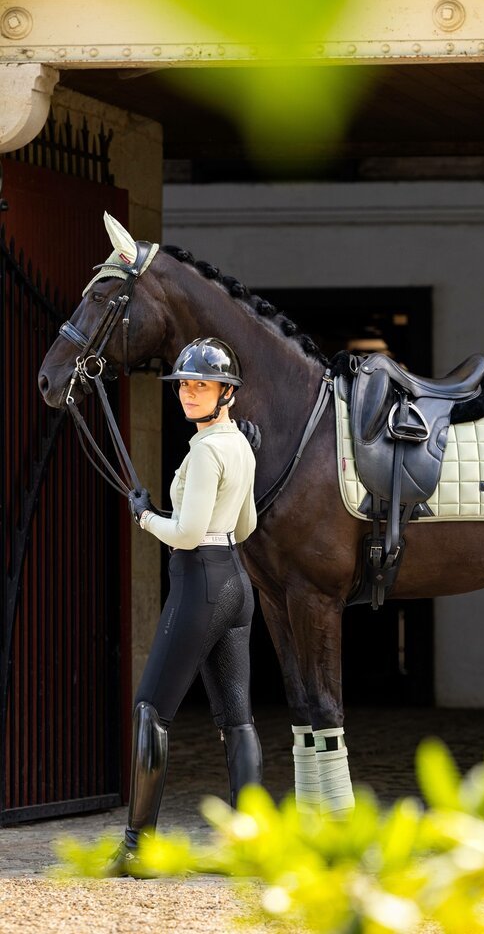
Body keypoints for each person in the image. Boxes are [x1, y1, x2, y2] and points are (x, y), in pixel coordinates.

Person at [110, 336, 261, 876]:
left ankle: (136, 849)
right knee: (237, 718)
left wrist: (145, 515)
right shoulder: (240, 445)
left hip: (200, 582)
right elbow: (247, 526)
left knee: (151, 707)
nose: (190, 393)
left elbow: (189, 532)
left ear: (227, 393)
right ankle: (248, 847)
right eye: (185, 385)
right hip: (236, 583)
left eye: (203, 385)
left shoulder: (204, 451)